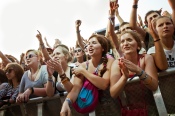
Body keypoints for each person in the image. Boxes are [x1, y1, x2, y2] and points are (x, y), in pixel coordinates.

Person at [60, 34, 120, 116]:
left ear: (103, 48)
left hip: (111, 107)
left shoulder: (109, 60)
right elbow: (76, 89)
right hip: (94, 111)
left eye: (94, 43)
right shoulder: (83, 66)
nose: (90, 45)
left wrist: (84, 72)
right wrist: (67, 102)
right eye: (88, 44)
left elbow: (104, 84)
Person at [110, 30, 158, 115]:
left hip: (150, 108)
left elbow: (154, 85)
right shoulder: (117, 63)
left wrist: (139, 71)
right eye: (122, 41)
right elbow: (113, 93)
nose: (125, 43)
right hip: (129, 111)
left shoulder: (146, 58)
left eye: (129, 40)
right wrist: (124, 77)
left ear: (138, 45)